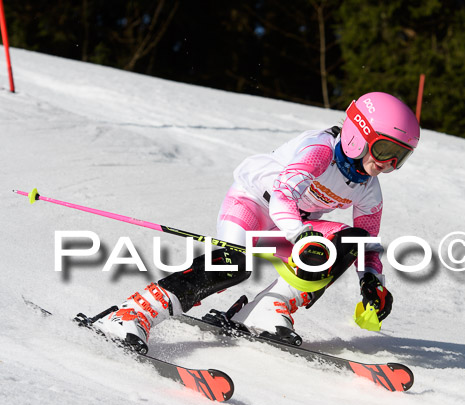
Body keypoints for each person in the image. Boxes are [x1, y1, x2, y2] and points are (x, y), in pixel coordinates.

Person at [89, 92, 421, 352]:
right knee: (233, 264)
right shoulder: (320, 150)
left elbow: (365, 244)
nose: (388, 163)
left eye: (399, 157)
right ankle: (132, 314)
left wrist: (371, 281)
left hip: (295, 225)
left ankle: (266, 309)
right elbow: (281, 197)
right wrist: (301, 235)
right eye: (385, 149)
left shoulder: (368, 190)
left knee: (348, 241)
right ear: (358, 134)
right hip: (253, 203)